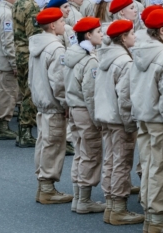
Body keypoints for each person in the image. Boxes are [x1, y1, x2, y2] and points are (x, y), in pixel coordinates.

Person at [130, 9, 163, 233]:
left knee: (150, 166)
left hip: (143, 116)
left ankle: (150, 217)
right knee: (161, 168)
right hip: (160, 121)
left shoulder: (139, 50)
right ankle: (157, 221)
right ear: (161, 30)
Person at [95, 19, 146, 224]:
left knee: (111, 160)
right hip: (119, 119)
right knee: (122, 162)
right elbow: (125, 97)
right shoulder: (124, 61)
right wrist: (129, 123)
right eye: (132, 34)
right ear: (123, 38)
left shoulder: (105, 57)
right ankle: (118, 208)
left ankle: (110, 203)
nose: (134, 37)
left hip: (106, 116)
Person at [30, 7, 73, 205]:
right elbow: (59, 81)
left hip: (41, 102)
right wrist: (66, 103)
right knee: (54, 145)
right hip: (53, 104)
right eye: (62, 22)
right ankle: (47, 188)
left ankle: (43, 185)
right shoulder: (56, 48)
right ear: (53, 26)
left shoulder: (37, 44)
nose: (65, 25)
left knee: (44, 142)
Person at [64, 17, 106, 215]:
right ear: (88, 35)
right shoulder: (89, 60)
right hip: (85, 110)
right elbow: (90, 93)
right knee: (91, 154)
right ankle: (85, 200)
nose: (102, 34)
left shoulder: (72, 54)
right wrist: (97, 118)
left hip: (74, 108)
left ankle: (78, 198)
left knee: (80, 153)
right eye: (98, 32)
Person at [13, 0, 43, 147]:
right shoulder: (31, 6)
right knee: (29, 94)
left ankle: (22, 132)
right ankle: (25, 132)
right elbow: (34, 35)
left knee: (24, 91)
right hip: (28, 54)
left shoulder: (17, 2)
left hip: (19, 52)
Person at [0, 0, 19, 140]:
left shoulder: (5, 10)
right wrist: (14, 62)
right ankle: (3, 125)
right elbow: (8, 41)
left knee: (8, 92)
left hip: (5, 59)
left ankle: (4, 123)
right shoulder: (6, 14)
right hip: (7, 60)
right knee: (8, 93)